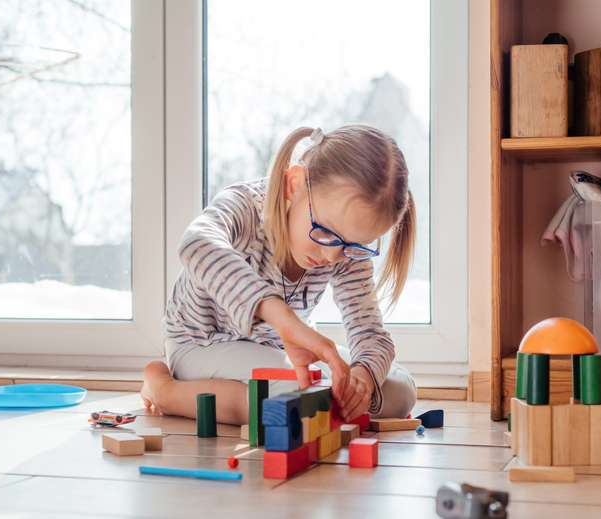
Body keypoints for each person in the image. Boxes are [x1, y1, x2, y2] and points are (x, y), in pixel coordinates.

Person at [141, 124, 418, 426]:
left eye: (355, 245)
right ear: (296, 183)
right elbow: (195, 244)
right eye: (324, 232)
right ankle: (165, 390)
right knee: (296, 399)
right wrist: (282, 318)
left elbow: (370, 334)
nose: (331, 255)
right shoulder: (246, 206)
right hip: (202, 344)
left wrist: (361, 382)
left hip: (274, 353)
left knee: (400, 388)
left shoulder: (343, 247)